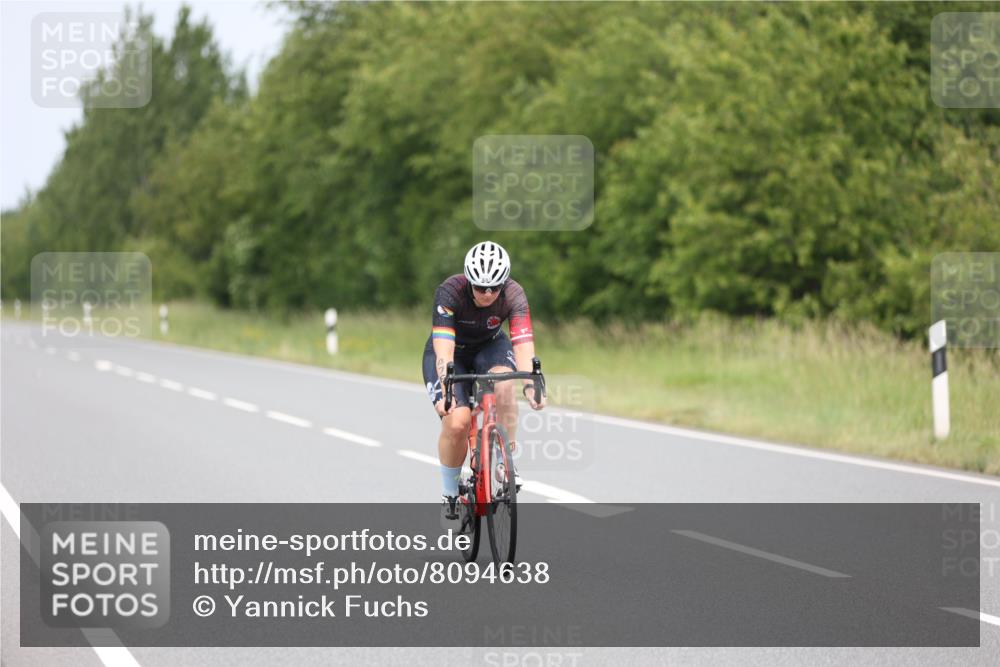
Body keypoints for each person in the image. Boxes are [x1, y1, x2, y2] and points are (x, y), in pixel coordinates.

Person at [422, 241, 545, 523]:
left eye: (494, 288)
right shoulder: (450, 291)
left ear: (504, 283)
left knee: (504, 383)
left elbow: (523, 344)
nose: (488, 294)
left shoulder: (514, 294)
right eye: (480, 288)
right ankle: (450, 492)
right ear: (469, 281)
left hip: (491, 347)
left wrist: (530, 386)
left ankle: (505, 463)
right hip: (452, 352)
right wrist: (445, 387)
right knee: (457, 421)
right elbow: (443, 348)